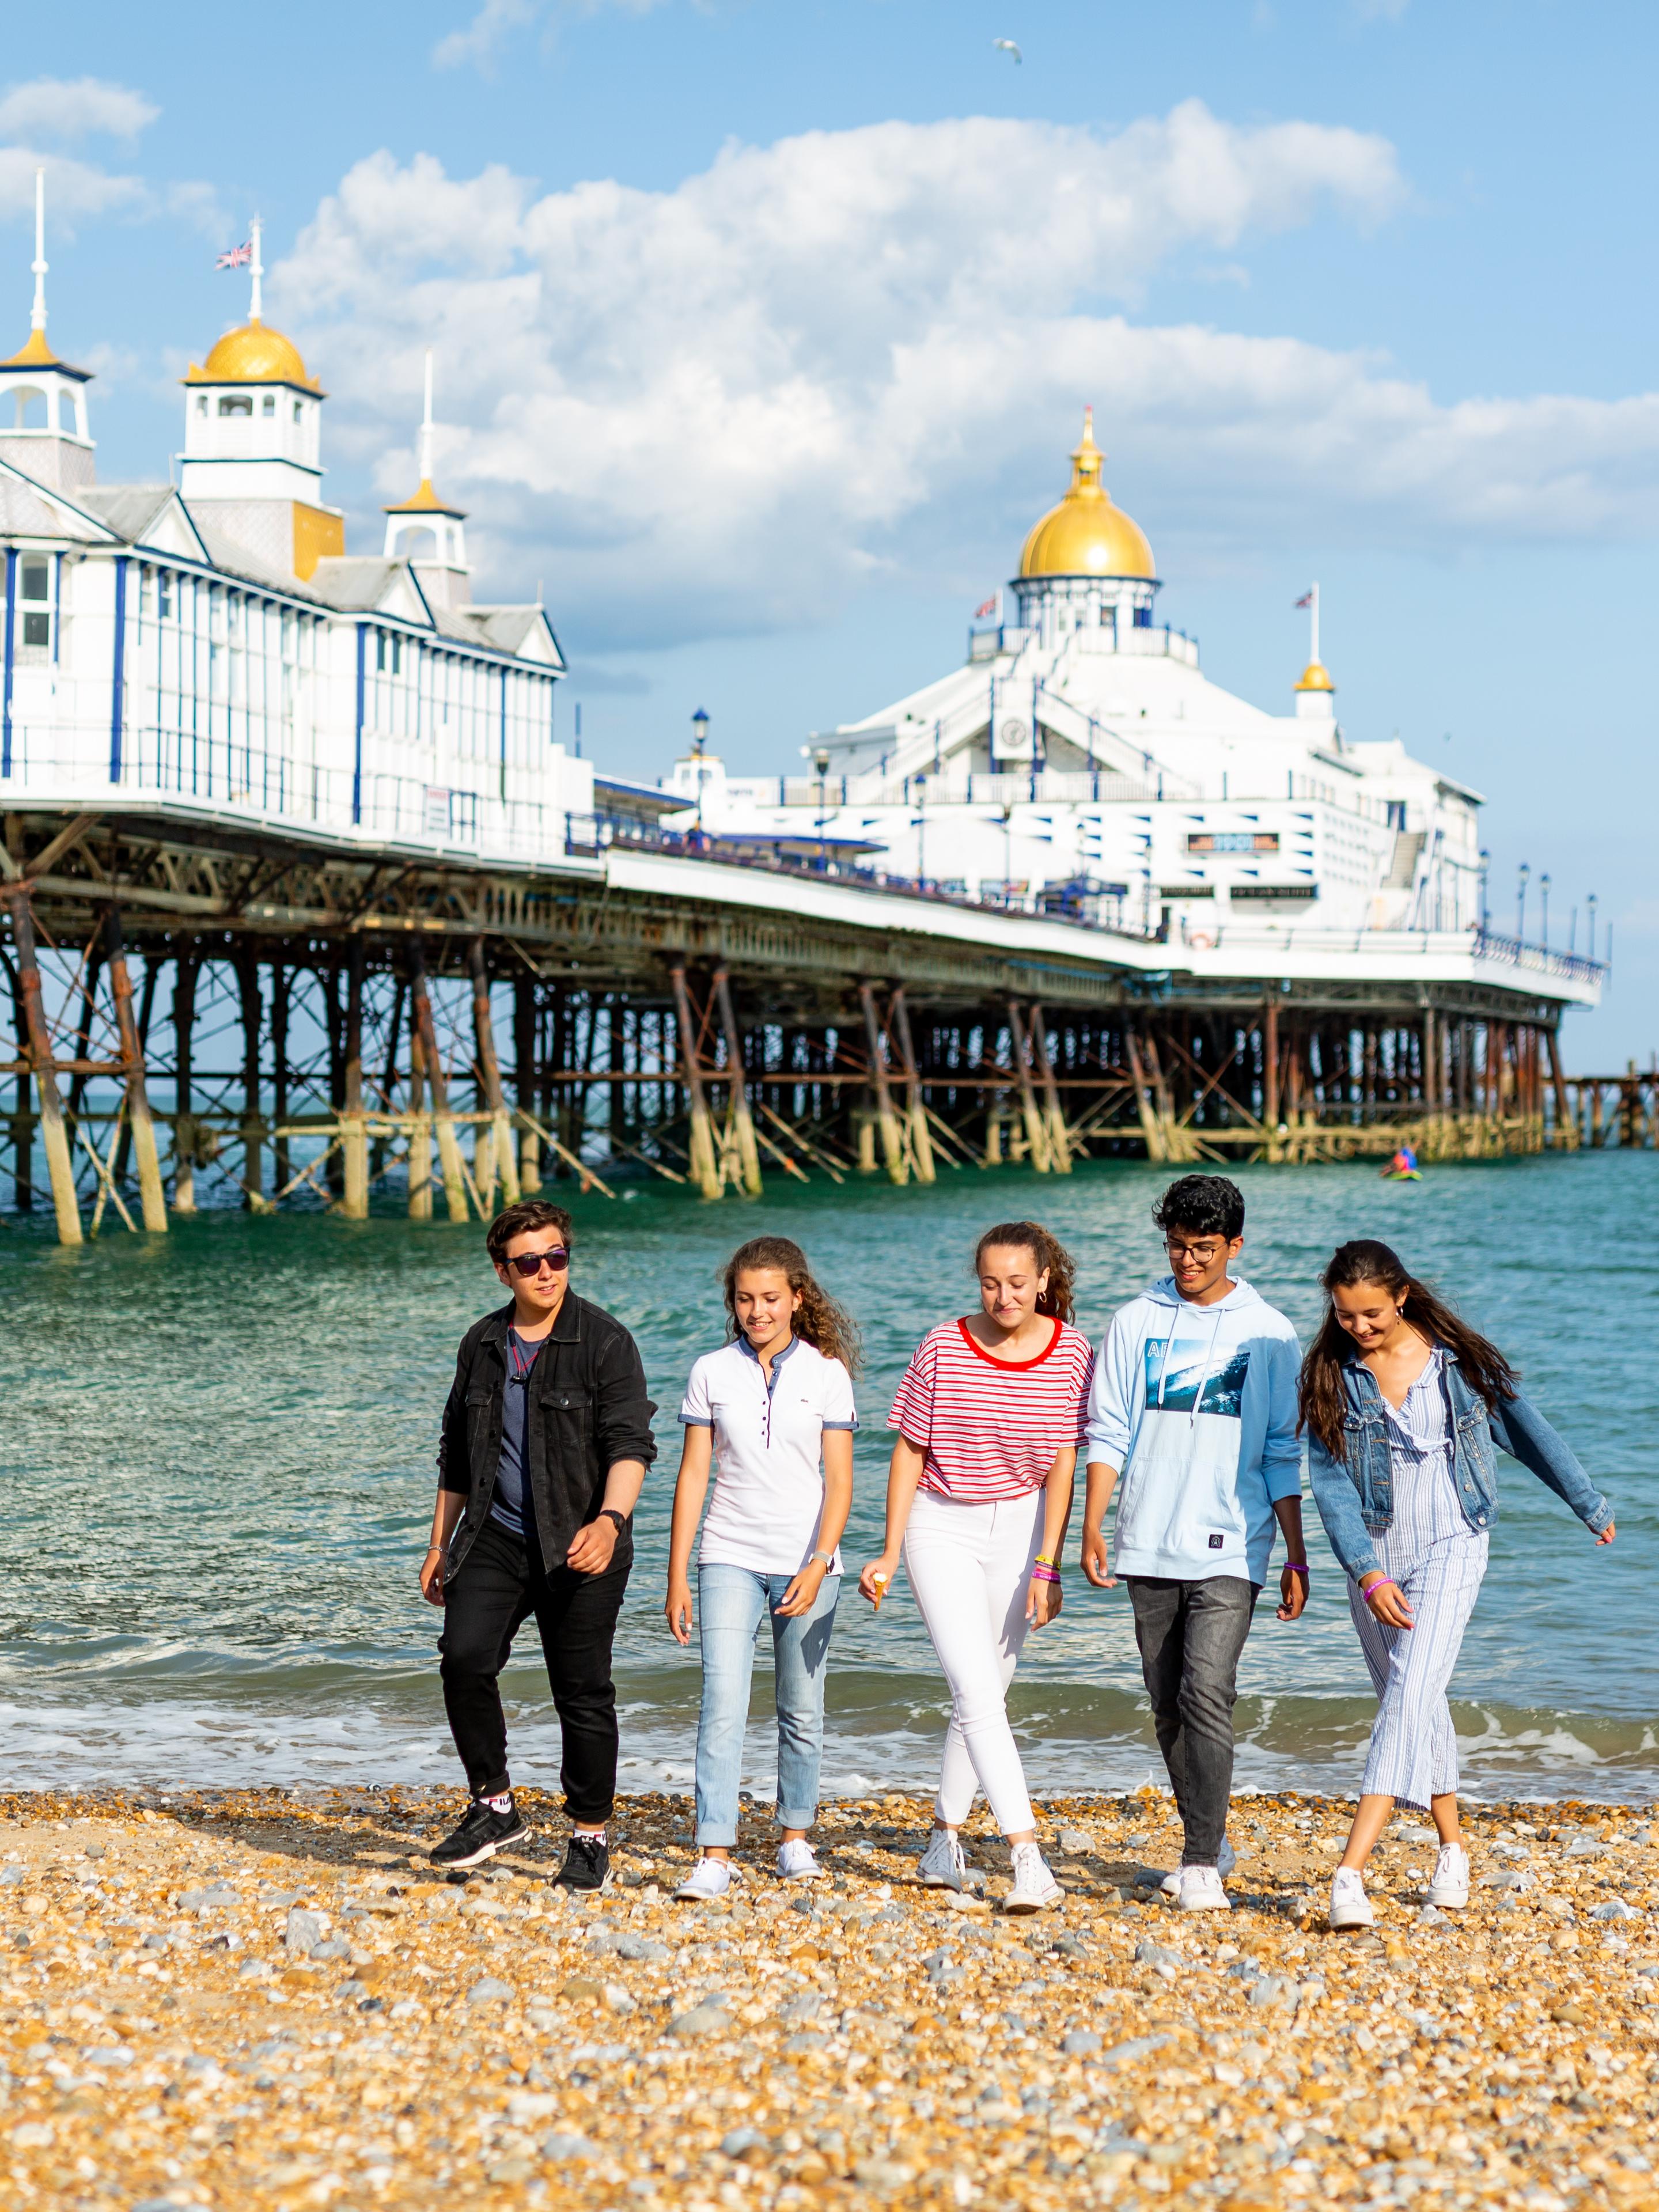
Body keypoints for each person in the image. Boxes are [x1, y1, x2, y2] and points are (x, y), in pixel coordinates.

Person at [1301, 1238, 1615, 1930]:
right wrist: (1367, 1569)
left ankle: (1350, 1872)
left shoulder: (1457, 1364)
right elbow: (1329, 1487)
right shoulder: (1330, 1373)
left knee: (1410, 1693)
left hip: (1455, 1540)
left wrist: (1586, 1502)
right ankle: (1453, 1852)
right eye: (1348, 1315)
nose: (1361, 1328)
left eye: (1374, 1314)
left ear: (1402, 1296)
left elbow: (1528, 1432)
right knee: (1415, 1700)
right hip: (1377, 1556)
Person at [1080, 1174, 1307, 1912]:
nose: (1187, 1262)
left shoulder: (1268, 1333)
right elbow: (1108, 1428)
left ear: (1235, 1246)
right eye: (1177, 1247)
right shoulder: (1134, 1321)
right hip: (1146, 1539)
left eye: (1203, 1249)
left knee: (1207, 1692)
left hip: (1234, 1542)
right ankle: (1207, 1832)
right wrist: (1093, 1521)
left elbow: (1281, 1449)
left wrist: (1296, 1553)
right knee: (1168, 1704)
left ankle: (1201, 1860)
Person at [859, 1222, 1094, 1915]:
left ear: (1044, 1279)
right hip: (942, 1523)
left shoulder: (1074, 1352)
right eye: (990, 1283)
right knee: (978, 1691)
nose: (1003, 1295)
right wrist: (891, 1548)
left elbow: (1062, 1464)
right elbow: (908, 1450)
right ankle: (1029, 1858)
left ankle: (942, 1838)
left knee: (984, 1693)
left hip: (1022, 1530)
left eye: (1018, 1283)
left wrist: (1050, 1563)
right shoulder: (941, 1344)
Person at [421, 1199, 657, 1884]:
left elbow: (631, 1444)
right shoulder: (484, 1343)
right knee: (464, 1660)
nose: (547, 1271)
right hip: (494, 1534)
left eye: (557, 1257)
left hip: (582, 1540)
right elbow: (457, 1454)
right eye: (530, 1262)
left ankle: (589, 1838)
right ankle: (494, 1805)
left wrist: (609, 1523)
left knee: (581, 1692)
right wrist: (439, 1546)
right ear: (504, 1272)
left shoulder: (606, 1341)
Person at [665, 1237, 859, 1900]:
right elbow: (693, 1476)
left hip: (810, 1562)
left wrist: (818, 1561)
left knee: (801, 1708)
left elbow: (840, 1484)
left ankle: (794, 1838)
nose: (758, 1311)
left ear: (797, 1299)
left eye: (771, 1298)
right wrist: (676, 1575)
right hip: (728, 1555)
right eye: (745, 1299)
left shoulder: (828, 1375)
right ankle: (714, 1850)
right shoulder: (711, 1372)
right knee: (721, 1703)